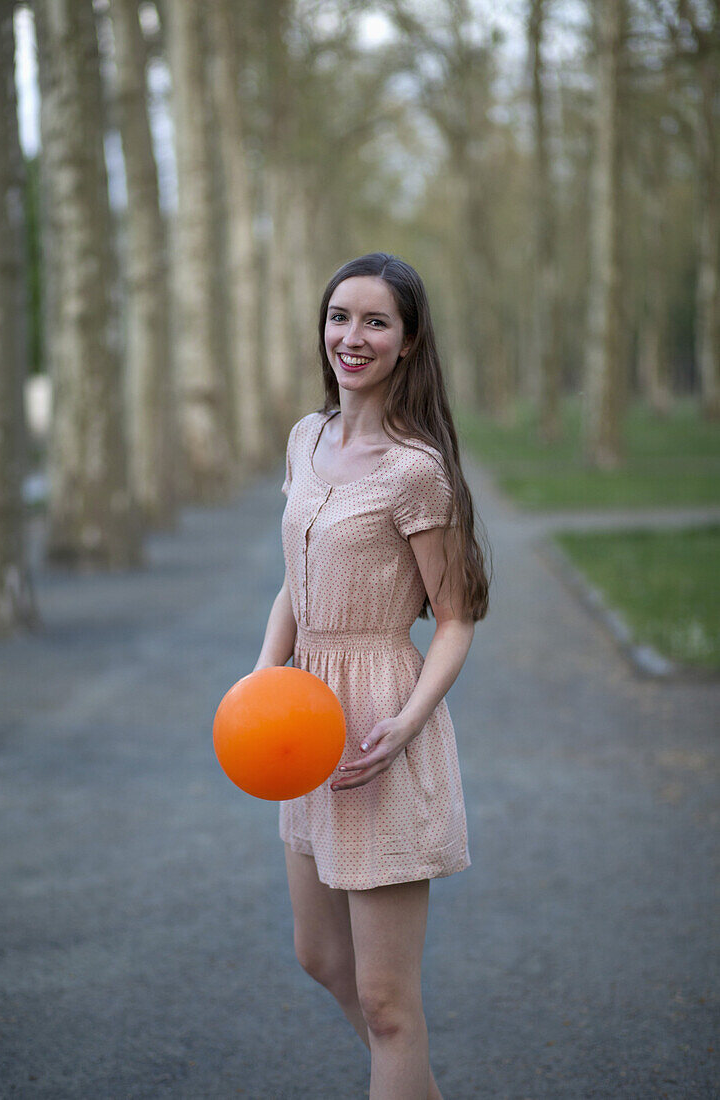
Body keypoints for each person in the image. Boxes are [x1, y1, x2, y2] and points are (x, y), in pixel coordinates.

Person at [253, 251, 492, 1099]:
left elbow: (457, 616)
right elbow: (296, 573)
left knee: (387, 1003)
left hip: (379, 727)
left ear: (407, 341)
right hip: (302, 721)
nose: (351, 337)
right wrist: (262, 676)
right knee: (319, 957)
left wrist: (408, 723)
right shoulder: (306, 437)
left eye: (375, 322)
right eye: (339, 317)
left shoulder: (413, 470)